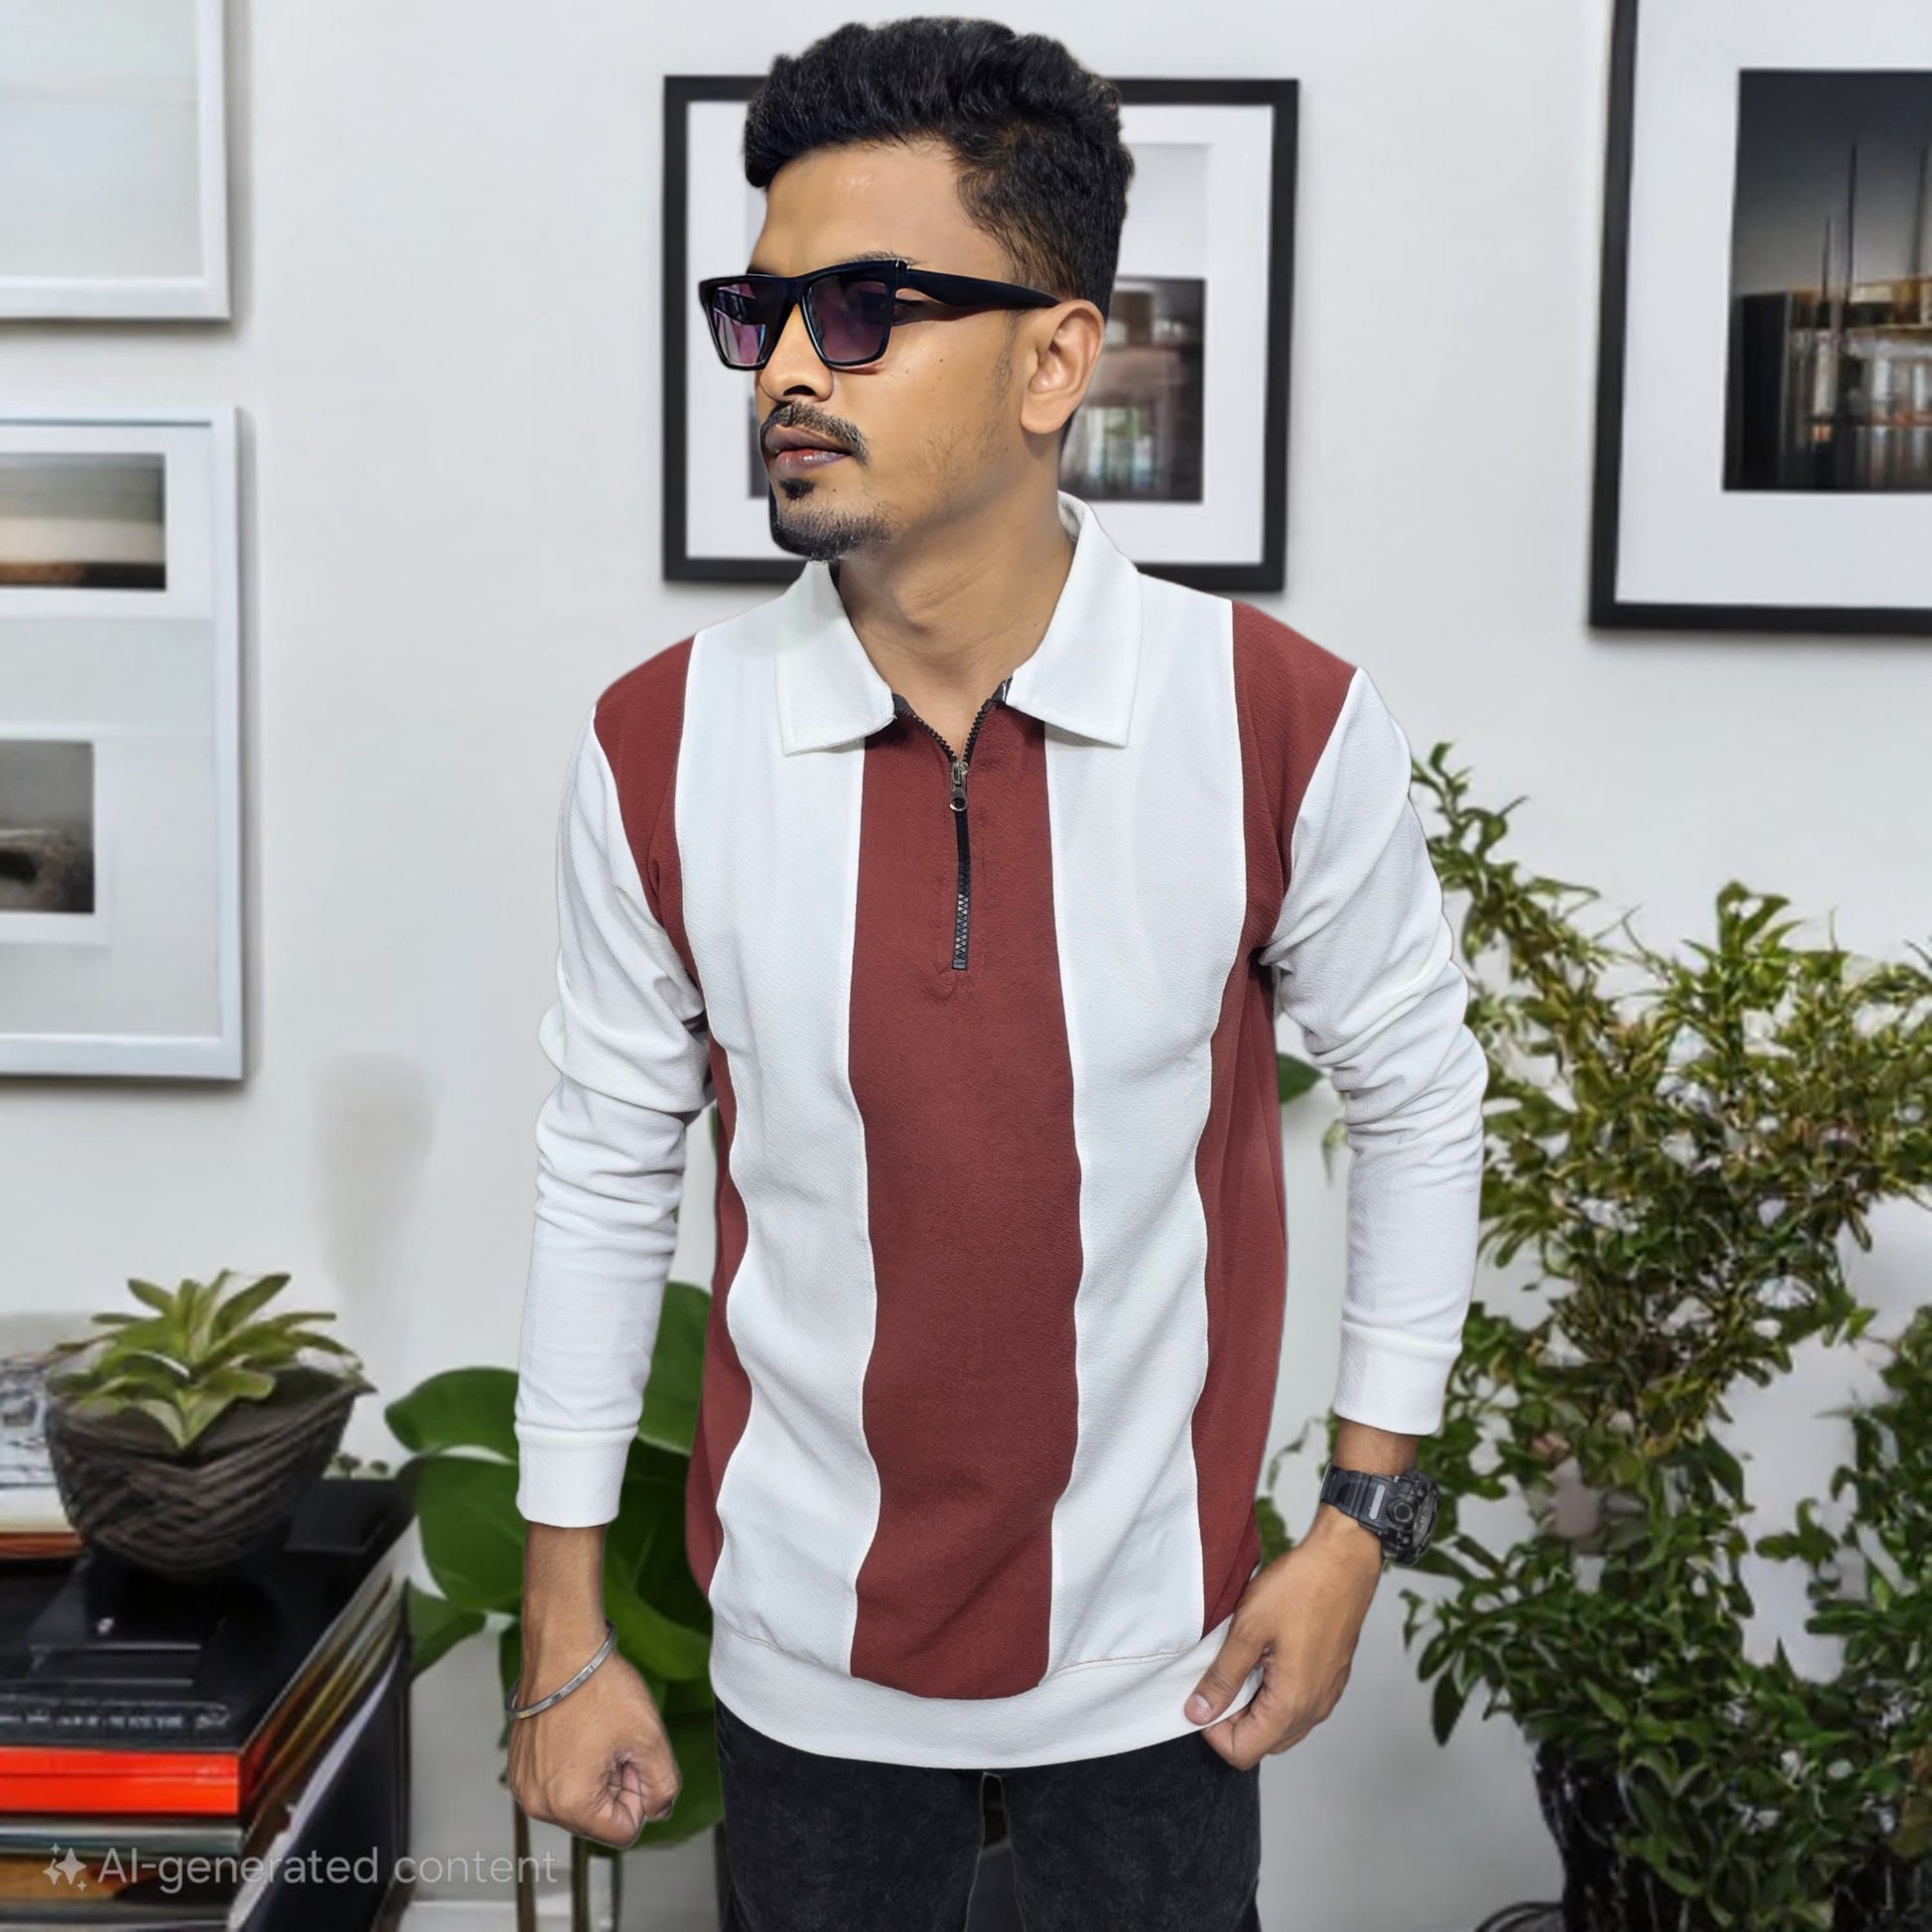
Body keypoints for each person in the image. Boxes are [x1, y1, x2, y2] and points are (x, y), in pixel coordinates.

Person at [504, 17, 1487, 1931]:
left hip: (1161, 1679)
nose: (789, 368)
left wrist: (1359, 1528)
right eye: (765, 311)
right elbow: (602, 1166)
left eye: (864, 309)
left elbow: (1417, 1095)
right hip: (798, 1672)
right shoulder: (655, 746)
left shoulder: (1274, 720)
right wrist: (563, 1618)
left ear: (1055, 358)